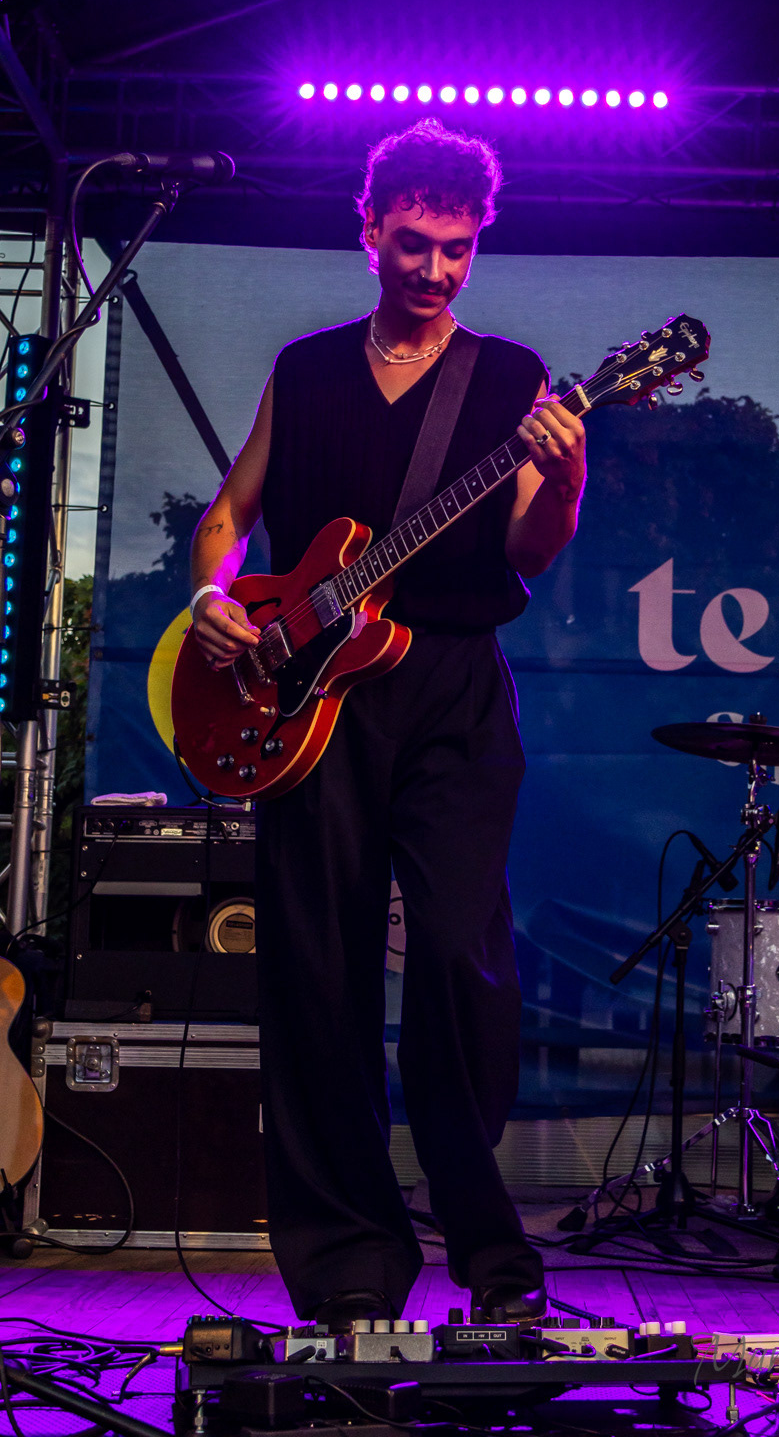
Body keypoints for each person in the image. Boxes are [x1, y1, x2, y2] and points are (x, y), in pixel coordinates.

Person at [187, 118, 587, 1326]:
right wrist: (212, 596)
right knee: (318, 971)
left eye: (457, 249)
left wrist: (565, 476)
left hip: (451, 687)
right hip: (310, 696)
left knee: (462, 957)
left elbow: (529, 549)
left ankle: (489, 1250)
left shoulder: (509, 377)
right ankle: (350, 1263)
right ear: (368, 233)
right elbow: (229, 517)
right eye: (413, 243)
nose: (435, 269)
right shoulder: (306, 370)